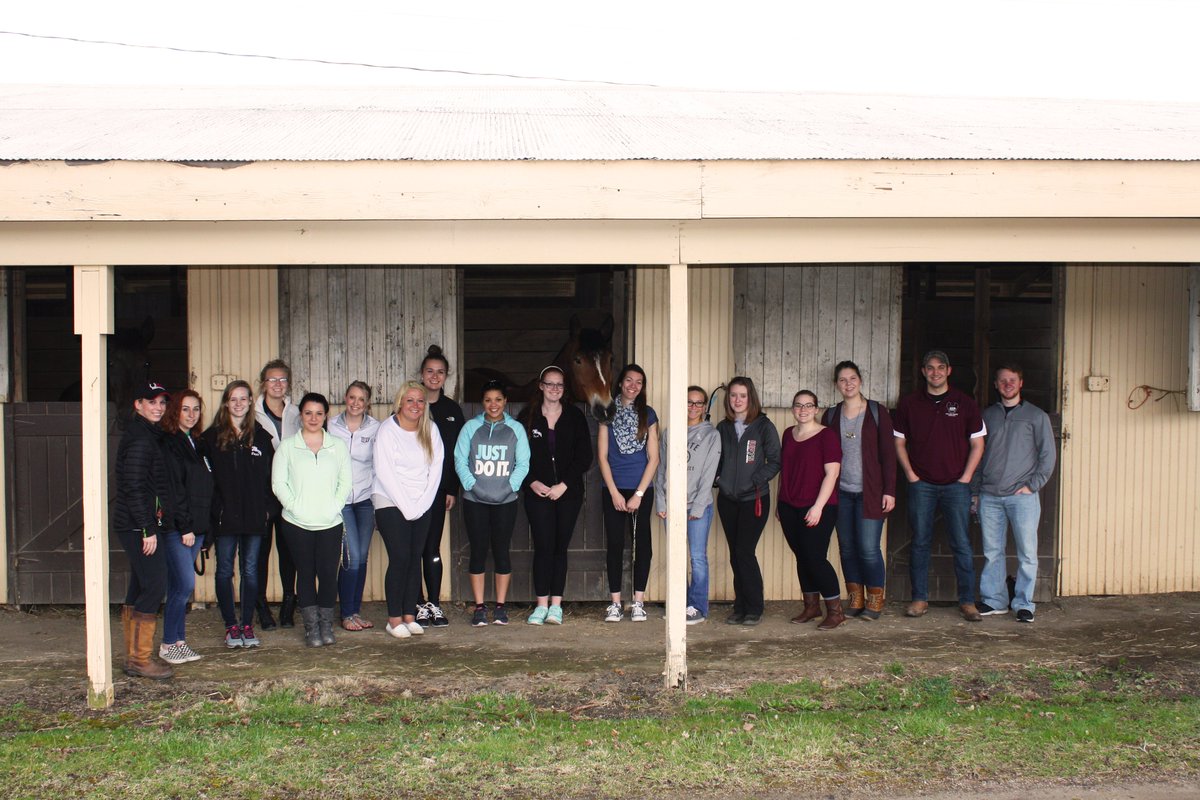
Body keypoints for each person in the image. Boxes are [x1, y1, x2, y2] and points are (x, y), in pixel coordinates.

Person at [893, 350, 987, 621]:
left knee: (961, 544)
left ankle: (967, 602)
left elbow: (978, 443)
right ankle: (920, 599)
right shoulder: (910, 404)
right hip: (922, 484)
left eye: (940, 367)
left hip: (957, 485)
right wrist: (910, 474)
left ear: (949, 371)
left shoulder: (965, 403)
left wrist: (966, 477)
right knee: (920, 542)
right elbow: (898, 441)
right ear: (923, 371)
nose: (935, 372)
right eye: (930, 368)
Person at [112, 381, 189, 679]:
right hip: (137, 524)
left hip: (140, 522)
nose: (157, 407)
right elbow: (133, 487)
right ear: (138, 404)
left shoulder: (149, 434)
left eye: (161, 402)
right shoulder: (141, 439)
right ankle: (140, 660)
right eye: (151, 402)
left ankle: (134, 657)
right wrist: (148, 528)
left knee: (140, 586)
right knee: (155, 585)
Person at [972, 364, 1056, 623]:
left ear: (1021, 383)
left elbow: (1047, 456)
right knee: (992, 551)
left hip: (1022, 497)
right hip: (989, 496)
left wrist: (1032, 486)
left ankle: (1024, 604)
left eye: (1012, 380)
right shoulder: (987, 416)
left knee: (1027, 552)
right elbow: (977, 454)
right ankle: (995, 600)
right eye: (1002, 380)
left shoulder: (1036, 416)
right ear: (996, 385)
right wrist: (975, 491)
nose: (1007, 384)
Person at [272, 393, 353, 647]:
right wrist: (295, 508)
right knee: (305, 574)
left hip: (329, 522)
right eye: (308, 413)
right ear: (301, 416)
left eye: (319, 413)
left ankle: (326, 625)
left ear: (325, 416)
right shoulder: (287, 447)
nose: (313, 418)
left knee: (328, 575)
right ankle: (311, 628)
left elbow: (345, 483)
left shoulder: (337, 446)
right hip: (297, 523)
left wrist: (333, 507)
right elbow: (278, 484)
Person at [202, 380, 277, 649]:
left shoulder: (261, 437)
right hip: (225, 517)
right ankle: (230, 625)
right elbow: (205, 481)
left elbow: (273, 478)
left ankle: (246, 624)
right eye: (233, 399)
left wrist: (269, 510)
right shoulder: (211, 438)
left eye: (243, 399)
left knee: (250, 570)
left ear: (250, 403)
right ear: (225, 402)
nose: (238, 404)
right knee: (224, 570)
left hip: (254, 517)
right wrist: (212, 512)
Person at [822, 361, 898, 620]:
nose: (848, 384)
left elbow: (889, 455)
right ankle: (856, 598)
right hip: (840, 493)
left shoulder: (877, 412)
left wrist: (890, 490)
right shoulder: (831, 416)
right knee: (847, 548)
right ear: (836, 385)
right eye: (842, 380)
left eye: (852, 378)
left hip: (871, 493)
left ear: (860, 381)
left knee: (868, 547)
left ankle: (875, 600)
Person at [520, 366, 594, 625]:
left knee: (559, 548)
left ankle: (556, 606)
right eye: (549, 384)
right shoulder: (527, 417)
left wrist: (564, 484)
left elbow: (584, 457)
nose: (554, 389)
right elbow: (517, 456)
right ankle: (540, 605)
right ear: (540, 386)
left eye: (559, 385)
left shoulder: (575, 417)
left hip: (568, 493)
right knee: (543, 547)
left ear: (564, 389)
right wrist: (531, 482)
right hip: (537, 493)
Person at [454, 380, 530, 627]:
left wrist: (509, 488)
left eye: (498, 399)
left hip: (505, 501)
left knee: (501, 552)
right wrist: (472, 486)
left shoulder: (516, 429)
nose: (493, 405)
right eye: (488, 400)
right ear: (482, 402)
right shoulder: (470, 428)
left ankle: (500, 607)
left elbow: (523, 463)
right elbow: (460, 460)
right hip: (475, 500)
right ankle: (479, 607)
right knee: (477, 552)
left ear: (505, 401)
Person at [373, 381, 445, 640]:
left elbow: (436, 469)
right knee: (401, 557)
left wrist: (423, 503)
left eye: (420, 401)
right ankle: (393, 620)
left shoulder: (431, 429)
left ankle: (409, 616)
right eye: (410, 400)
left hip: (421, 502)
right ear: (400, 403)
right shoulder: (387, 431)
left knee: (415, 557)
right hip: (390, 501)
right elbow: (385, 472)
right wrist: (407, 506)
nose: (415, 405)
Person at [715, 376, 781, 626]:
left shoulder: (764, 426)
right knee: (735, 554)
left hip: (754, 499)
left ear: (750, 398)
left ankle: (754, 607)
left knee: (744, 552)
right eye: (733, 395)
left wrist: (756, 480)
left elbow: (775, 461)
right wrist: (718, 478)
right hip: (728, 500)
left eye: (742, 395)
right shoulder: (723, 427)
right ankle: (740, 606)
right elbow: (715, 459)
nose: (737, 400)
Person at [597, 364, 660, 623]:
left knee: (642, 545)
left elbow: (653, 458)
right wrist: (613, 492)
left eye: (639, 382)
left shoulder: (649, 414)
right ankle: (614, 603)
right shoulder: (606, 413)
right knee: (614, 545)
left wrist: (639, 494)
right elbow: (602, 456)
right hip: (613, 488)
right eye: (629, 381)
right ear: (620, 383)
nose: (633, 386)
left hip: (640, 489)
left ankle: (638, 602)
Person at [655, 385, 721, 625]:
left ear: (704, 407)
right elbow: (661, 469)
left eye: (698, 403)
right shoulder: (670, 432)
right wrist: (661, 500)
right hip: (672, 505)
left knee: (697, 557)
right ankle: (679, 604)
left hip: (697, 505)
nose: (693, 407)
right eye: (689, 402)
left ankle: (697, 608)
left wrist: (698, 507)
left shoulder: (711, 435)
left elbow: (708, 473)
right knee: (675, 557)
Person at [779, 390, 845, 629]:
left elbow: (832, 473)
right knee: (802, 556)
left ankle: (836, 612)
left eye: (809, 405)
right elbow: (785, 471)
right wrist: (780, 501)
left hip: (818, 506)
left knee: (815, 558)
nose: (803, 410)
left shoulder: (827, 436)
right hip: (789, 505)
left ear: (816, 409)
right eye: (798, 405)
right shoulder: (788, 434)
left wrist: (818, 507)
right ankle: (811, 606)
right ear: (793, 408)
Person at [159, 389, 213, 665]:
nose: (191, 415)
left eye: (196, 409)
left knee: (181, 587)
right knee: (183, 585)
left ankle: (180, 641)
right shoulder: (171, 444)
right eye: (185, 409)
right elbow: (174, 490)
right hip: (179, 529)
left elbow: (205, 489)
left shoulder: (197, 443)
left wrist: (204, 530)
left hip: (197, 527)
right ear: (175, 412)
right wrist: (185, 527)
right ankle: (169, 643)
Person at [416, 345, 465, 628]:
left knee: (432, 547)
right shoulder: (412, 404)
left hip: (438, 491)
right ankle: (418, 603)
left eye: (440, 372)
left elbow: (456, 454)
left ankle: (434, 603)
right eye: (430, 371)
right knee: (414, 546)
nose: (434, 377)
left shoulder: (451, 410)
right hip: (411, 491)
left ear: (446, 377)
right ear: (422, 375)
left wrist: (451, 489)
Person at [329, 381, 380, 632]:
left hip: (365, 499)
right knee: (352, 557)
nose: (356, 403)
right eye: (352, 397)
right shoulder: (330, 426)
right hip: (341, 501)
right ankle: (346, 613)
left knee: (362, 557)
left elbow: (381, 464)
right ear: (345, 398)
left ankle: (355, 611)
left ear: (367, 403)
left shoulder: (376, 428)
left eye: (361, 399)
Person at [254, 359, 301, 630]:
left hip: (290, 491)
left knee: (289, 551)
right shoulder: (253, 412)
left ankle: (288, 602)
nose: (277, 385)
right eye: (272, 380)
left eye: (282, 380)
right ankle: (261, 605)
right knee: (261, 552)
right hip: (261, 493)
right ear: (264, 383)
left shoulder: (296, 413)